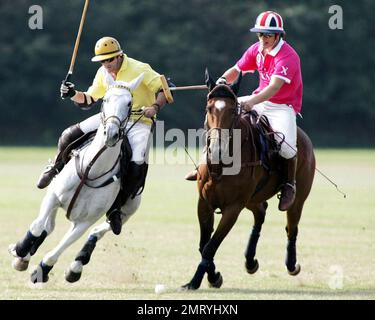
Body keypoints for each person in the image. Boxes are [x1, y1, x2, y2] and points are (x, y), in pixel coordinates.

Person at [37, 36, 168, 234]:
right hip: (111, 118)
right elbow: (89, 99)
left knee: (137, 162)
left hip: (139, 121)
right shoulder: (102, 73)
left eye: (110, 59)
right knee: (69, 134)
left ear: (120, 56)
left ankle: (116, 207)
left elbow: (163, 89)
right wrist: (72, 94)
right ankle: (55, 167)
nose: (106, 64)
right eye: (102, 61)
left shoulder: (140, 68)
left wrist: (155, 106)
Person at [186, 11, 302, 212]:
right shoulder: (256, 50)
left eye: (267, 35)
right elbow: (236, 70)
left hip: (281, 106)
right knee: (218, 113)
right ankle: (204, 165)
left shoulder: (288, 56)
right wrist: (221, 85)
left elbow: (273, 88)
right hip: (257, 98)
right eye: (260, 34)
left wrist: (250, 103)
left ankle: (289, 185)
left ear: (278, 36)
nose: (263, 39)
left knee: (288, 149)